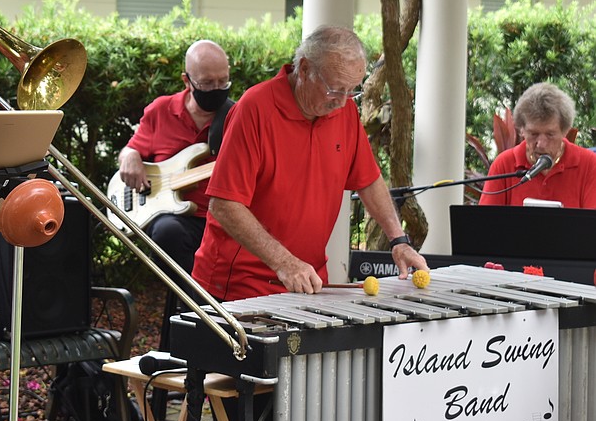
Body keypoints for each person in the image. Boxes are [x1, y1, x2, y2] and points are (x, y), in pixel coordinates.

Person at [192, 25, 428, 302]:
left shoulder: (345, 112)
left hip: (307, 282)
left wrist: (398, 239)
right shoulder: (254, 109)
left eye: (352, 91)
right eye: (334, 89)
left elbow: (369, 179)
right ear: (304, 69)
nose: (341, 102)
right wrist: (285, 262)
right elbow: (224, 205)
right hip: (240, 286)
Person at [117, 39, 232, 293]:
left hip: (221, 220)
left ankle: (199, 309)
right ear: (186, 81)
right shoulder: (162, 110)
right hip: (176, 220)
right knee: (168, 233)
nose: (216, 89)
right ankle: (198, 306)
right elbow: (132, 150)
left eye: (223, 81)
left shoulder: (237, 117)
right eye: (207, 83)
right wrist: (129, 156)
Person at [479, 82, 596, 207]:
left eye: (550, 134)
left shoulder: (589, 164)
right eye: (533, 134)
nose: (541, 144)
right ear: (521, 130)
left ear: (565, 131)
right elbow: (486, 223)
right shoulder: (504, 165)